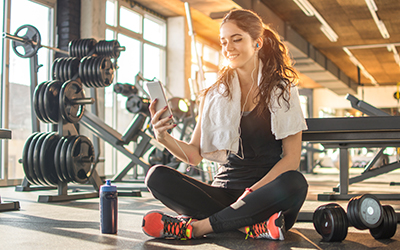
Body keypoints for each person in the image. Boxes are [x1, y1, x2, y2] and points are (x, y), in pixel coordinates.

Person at [141, 9, 308, 240]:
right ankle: (246, 226)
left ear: (257, 43)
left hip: (265, 196)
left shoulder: (283, 92)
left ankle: (198, 227)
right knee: (156, 176)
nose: (228, 47)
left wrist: (251, 193)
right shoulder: (213, 95)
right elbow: (194, 156)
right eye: (223, 42)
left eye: (237, 39)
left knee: (295, 182)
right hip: (222, 193)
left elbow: (291, 158)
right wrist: (164, 138)